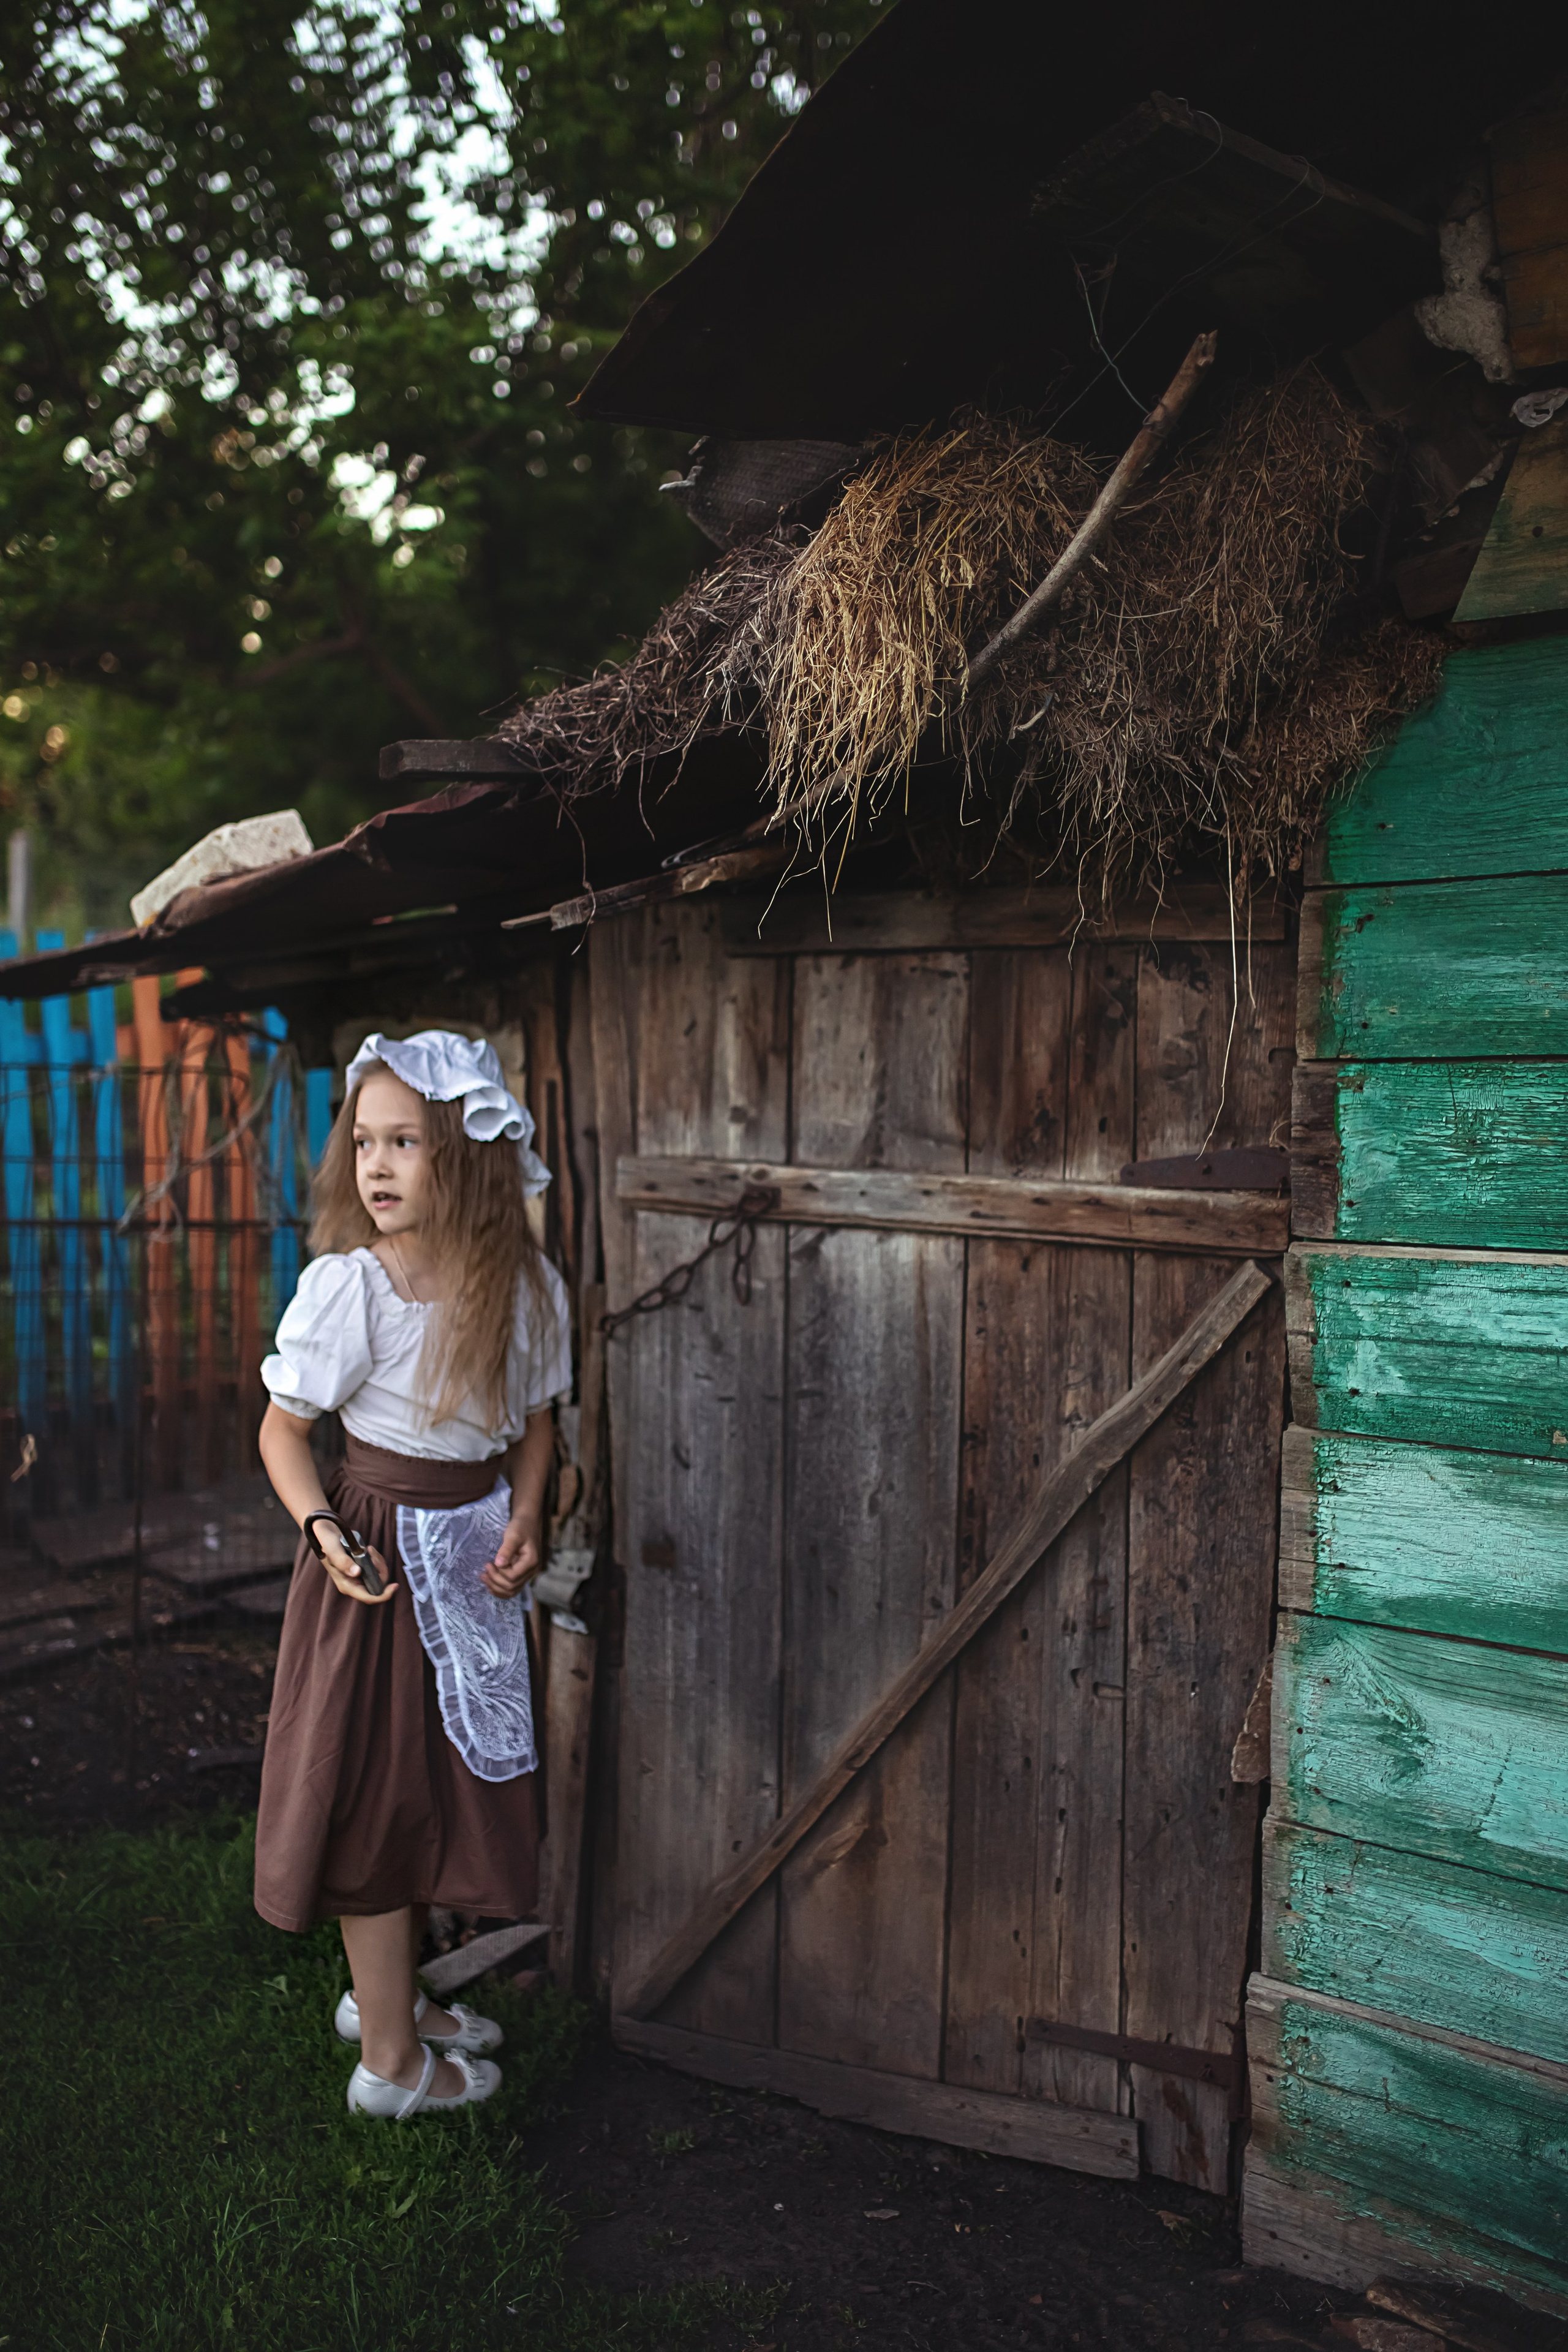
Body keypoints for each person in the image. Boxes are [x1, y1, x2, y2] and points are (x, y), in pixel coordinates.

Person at [254, 1030, 571, 2120]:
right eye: (364, 1143)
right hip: (376, 1570)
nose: (375, 1167)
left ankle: (395, 2001)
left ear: (471, 1155)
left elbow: (533, 1425)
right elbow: (283, 1431)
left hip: (471, 1568)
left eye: (407, 1143)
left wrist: (528, 1509)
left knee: (441, 1792)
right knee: (378, 1801)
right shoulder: (354, 1290)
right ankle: (388, 2063)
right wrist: (324, 1535)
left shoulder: (524, 1289)